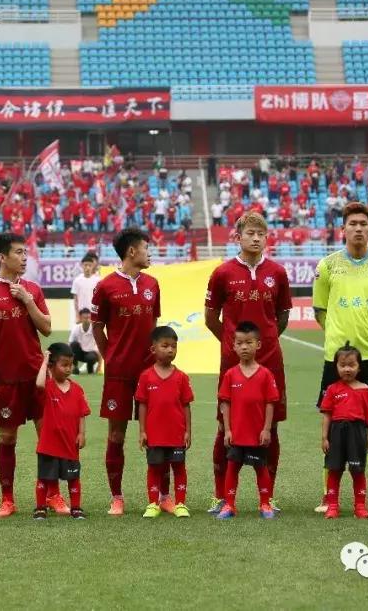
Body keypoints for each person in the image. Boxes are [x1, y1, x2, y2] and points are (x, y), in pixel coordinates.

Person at [312, 202, 368, 514]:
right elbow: (319, 311)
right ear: (343, 229)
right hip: (335, 358)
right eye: (353, 223)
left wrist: (367, 331)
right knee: (334, 425)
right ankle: (328, 494)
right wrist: (340, 337)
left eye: (363, 223)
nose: (358, 228)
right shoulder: (327, 266)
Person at [204, 212, 291, 513]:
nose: (256, 238)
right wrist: (233, 346)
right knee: (223, 426)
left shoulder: (277, 272)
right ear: (237, 236)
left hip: (270, 361)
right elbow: (210, 318)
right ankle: (220, 495)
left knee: (272, 427)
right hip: (232, 363)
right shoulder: (222, 273)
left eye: (261, 233)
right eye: (250, 232)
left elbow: (281, 318)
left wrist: (260, 346)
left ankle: (269, 495)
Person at [0, 232, 56, 518]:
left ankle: (52, 494)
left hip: (37, 377)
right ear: (2, 257)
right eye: (19, 253)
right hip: (5, 379)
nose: (24, 258)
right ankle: (8, 499)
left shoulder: (32, 289)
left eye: (25, 253)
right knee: (7, 439)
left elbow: (47, 328)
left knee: (48, 438)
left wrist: (28, 301)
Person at [91, 228, 161, 515]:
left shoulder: (153, 284)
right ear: (132, 252)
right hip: (118, 374)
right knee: (116, 435)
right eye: (146, 247)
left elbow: (154, 325)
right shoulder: (105, 286)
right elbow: (97, 327)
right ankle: (117, 497)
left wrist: (156, 360)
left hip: (149, 373)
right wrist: (111, 356)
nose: (149, 252)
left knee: (157, 435)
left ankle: (160, 496)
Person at [215, 322, 279, 520]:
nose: (244, 347)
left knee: (261, 469)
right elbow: (225, 404)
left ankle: (265, 504)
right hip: (237, 434)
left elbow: (270, 403)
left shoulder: (266, 374)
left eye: (249, 342)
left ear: (258, 345)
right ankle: (230, 505)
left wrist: (267, 429)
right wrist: (227, 430)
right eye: (240, 343)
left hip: (257, 434)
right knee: (232, 468)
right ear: (233, 346)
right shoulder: (230, 374)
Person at [136, 326, 193, 518]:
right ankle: (153, 504)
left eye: (174, 346)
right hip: (154, 434)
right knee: (154, 468)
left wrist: (188, 431)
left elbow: (186, 406)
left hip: (176, 434)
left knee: (179, 468)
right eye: (165, 345)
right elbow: (142, 405)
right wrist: (142, 431)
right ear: (153, 349)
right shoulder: (146, 377)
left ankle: (181, 504)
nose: (170, 350)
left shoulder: (182, 377)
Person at [319, 344, 368, 520]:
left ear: (359, 366)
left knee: (357, 470)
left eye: (351, 365)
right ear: (336, 367)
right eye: (342, 365)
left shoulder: (365, 390)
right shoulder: (332, 389)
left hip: (357, 433)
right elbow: (327, 415)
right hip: (336, 433)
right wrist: (324, 438)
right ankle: (332, 506)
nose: (347, 369)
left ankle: (360, 506)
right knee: (334, 470)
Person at [32, 343, 89, 520]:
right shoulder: (49, 387)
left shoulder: (78, 389)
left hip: (69, 443)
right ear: (52, 366)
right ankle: (40, 507)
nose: (68, 369)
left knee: (73, 478)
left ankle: (76, 508)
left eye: (70, 364)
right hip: (49, 444)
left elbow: (82, 414)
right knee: (44, 477)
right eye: (63, 364)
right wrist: (44, 361)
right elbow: (39, 383)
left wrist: (81, 434)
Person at [68, 308, 100, 374]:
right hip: (80, 354)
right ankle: (74, 368)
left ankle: (90, 370)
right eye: (85, 318)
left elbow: (100, 347)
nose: (87, 320)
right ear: (80, 318)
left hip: (92, 354)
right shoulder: (76, 328)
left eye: (89, 317)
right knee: (73, 344)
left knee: (91, 357)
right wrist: (69, 364)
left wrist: (99, 367)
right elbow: (69, 345)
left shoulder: (95, 329)